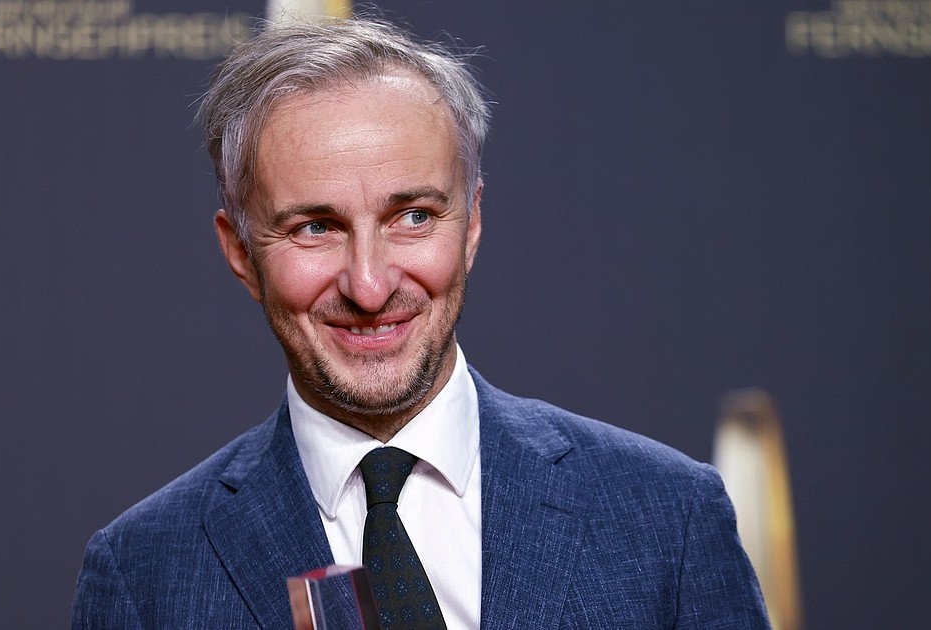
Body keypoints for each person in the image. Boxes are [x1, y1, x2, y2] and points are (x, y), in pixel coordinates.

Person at [71, 14, 770, 630]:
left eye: (413, 217)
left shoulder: (669, 516)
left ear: (472, 225)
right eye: (315, 227)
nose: (370, 286)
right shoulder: (143, 574)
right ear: (240, 253)